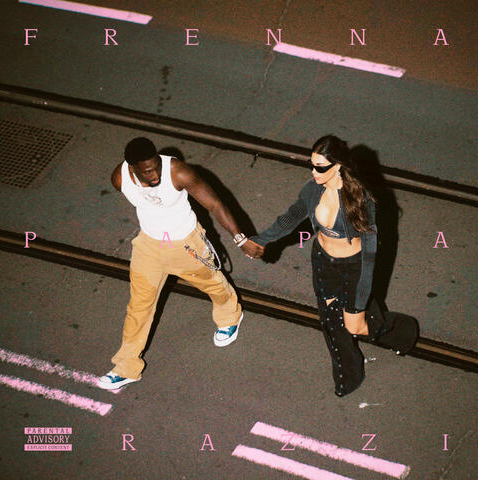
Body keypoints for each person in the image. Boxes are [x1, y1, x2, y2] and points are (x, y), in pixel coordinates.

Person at [250, 135, 418, 397]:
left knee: (355, 326)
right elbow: (291, 218)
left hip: (353, 267)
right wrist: (261, 240)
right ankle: (348, 377)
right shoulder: (313, 190)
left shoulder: (360, 199)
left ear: (338, 166)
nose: (313, 172)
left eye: (320, 167)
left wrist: (361, 297)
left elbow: (370, 253)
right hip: (323, 262)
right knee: (331, 322)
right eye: (311, 164)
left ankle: (402, 331)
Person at [98, 137, 264, 389]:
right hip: (149, 247)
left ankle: (230, 315)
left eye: (156, 166)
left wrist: (240, 239)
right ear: (132, 168)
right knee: (138, 307)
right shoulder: (119, 178)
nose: (155, 174)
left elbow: (214, 203)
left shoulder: (177, 171)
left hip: (186, 243)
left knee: (212, 284)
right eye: (147, 171)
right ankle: (127, 367)